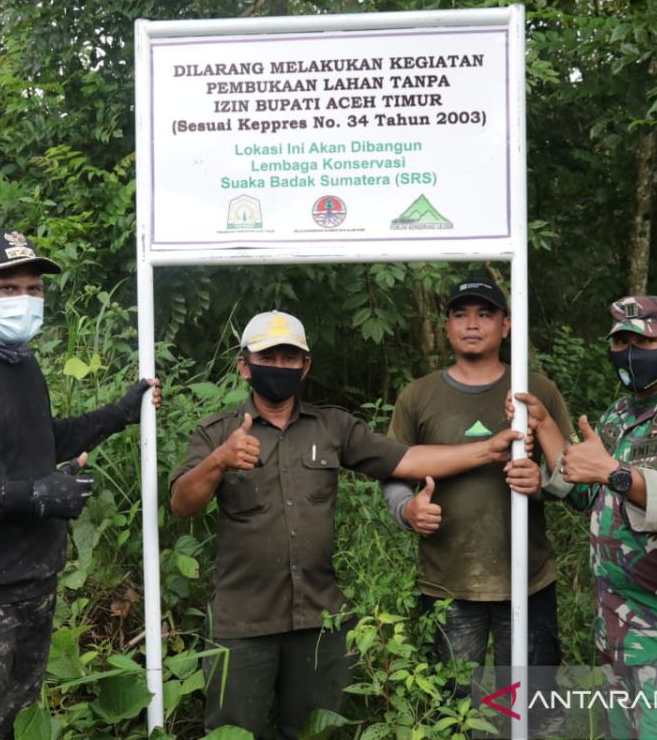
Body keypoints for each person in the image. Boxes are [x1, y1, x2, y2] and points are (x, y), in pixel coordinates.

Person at [170, 310, 538, 740]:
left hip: (319, 625)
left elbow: (407, 459)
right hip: (243, 626)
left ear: (305, 367)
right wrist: (219, 461)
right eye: (268, 357)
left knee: (318, 734)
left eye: (290, 357)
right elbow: (182, 504)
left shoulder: (333, 426)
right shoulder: (219, 432)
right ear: (244, 365)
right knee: (234, 734)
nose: (280, 366)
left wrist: (489, 450)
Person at [0, 229, 161, 740]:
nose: (25, 300)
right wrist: (37, 496)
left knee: (13, 726)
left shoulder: (20, 363)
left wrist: (116, 415)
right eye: (8, 288)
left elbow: (37, 442)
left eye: (34, 289)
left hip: (30, 587)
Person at [521, 295, 657, 739]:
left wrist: (614, 472)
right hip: (617, 632)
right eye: (620, 341)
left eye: (644, 340)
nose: (630, 353)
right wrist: (545, 426)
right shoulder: (619, 414)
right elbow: (587, 493)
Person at [379, 278, 572, 729]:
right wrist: (407, 511)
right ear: (446, 326)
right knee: (451, 712)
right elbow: (392, 475)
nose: (472, 324)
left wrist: (539, 481)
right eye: (461, 314)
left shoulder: (535, 389)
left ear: (506, 326)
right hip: (448, 585)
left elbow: (571, 475)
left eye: (484, 314)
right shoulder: (418, 395)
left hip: (528, 582)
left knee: (530, 713)